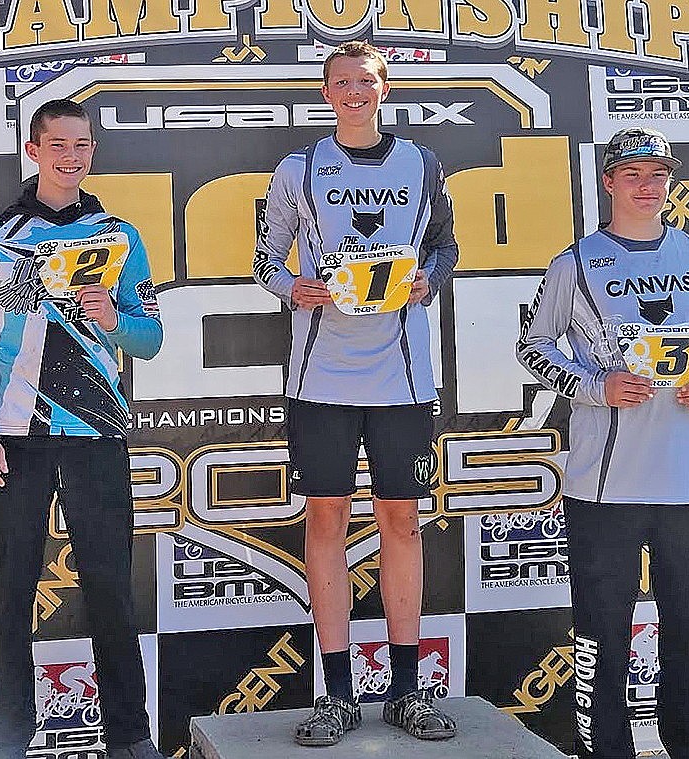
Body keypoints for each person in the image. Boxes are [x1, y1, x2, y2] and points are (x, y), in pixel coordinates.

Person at [252, 40, 458, 746]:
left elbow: (445, 247)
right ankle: (337, 693)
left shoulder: (422, 164)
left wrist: (431, 277)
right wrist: (293, 286)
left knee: (401, 522)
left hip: (401, 375)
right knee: (326, 523)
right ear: (326, 93)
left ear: (384, 89)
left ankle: (406, 687)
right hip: (321, 377)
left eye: (365, 81)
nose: (354, 92)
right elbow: (262, 258)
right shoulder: (298, 168)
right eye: (341, 82)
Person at [0, 98, 166, 759]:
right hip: (13, 437)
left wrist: (111, 318)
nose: (72, 156)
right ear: (35, 151)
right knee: (11, 598)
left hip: (96, 435)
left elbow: (151, 336)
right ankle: (8, 738)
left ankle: (130, 738)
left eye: (83, 145)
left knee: (110, 593)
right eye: (59, 145)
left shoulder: (120, 234)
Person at [517, 126, 689, 759]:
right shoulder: (574, 263)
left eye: (659, 173)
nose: (648, 185)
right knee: (602, 631)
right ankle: (606, 746)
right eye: (633, 173)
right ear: (607, 182)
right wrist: (592, 387)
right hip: (604, 483)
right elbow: (534, 347)